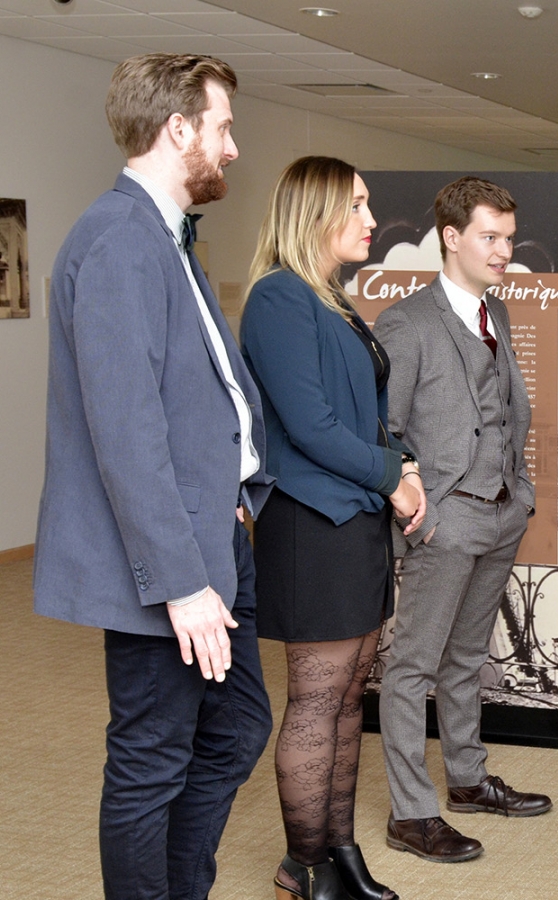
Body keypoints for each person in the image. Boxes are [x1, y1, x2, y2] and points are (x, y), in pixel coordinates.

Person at [32, 53, 274, 899]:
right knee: (149, 759)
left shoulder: (167, 237)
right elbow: (127, 432)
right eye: (223, 127)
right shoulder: (116, 240)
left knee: (238, 727)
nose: (233, 147)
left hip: (218, 537)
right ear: (178, 130)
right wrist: (180, 582)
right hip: (171, 564)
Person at [240, 157, 428, 900]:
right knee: (316, 701)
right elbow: (312, 428)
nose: (371, 219)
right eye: (356, 204)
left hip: (354, 521)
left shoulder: (330, 300)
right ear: (314, 213)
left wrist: (401, 465)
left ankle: (340, 852)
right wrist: (397, 480)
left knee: (351, 697)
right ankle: (303, 865)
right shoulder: (279, 299)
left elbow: (365, 417)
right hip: (311, 525)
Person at [375, 176, 550, 864]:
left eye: (508, 237)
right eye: (490, 237)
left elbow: (508, 412)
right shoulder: (408, 322)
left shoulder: (495, 311)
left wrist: (525, 490)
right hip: (445, 521)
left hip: (501, 515)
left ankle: (469, 781)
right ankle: (411, 814)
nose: (504, 249)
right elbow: (385, 430)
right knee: (413, 668)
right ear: (451, 237)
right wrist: (424, 508)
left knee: (468, 660)